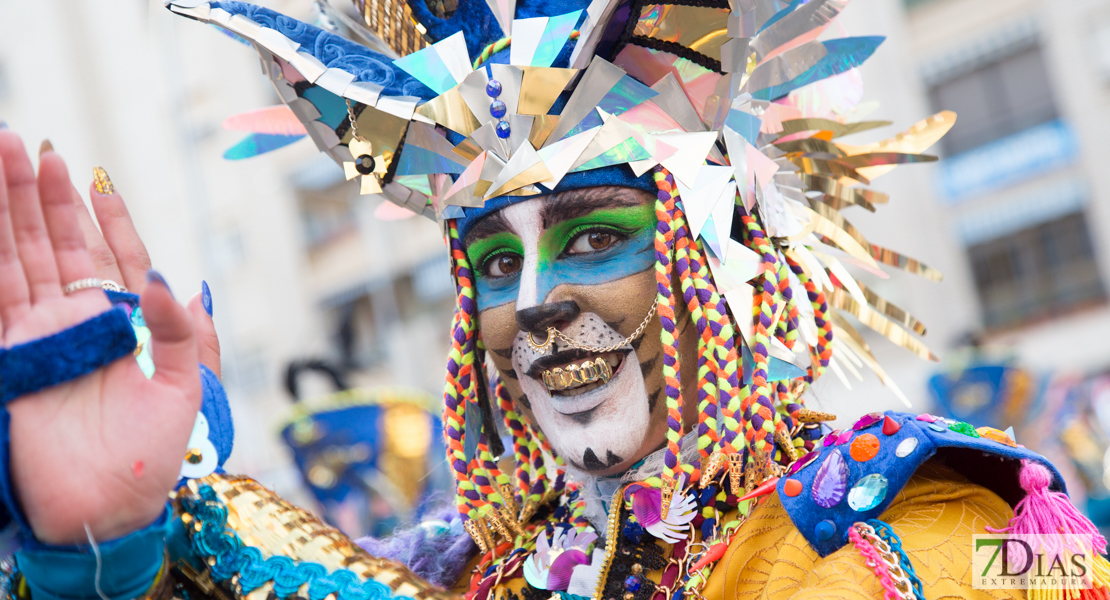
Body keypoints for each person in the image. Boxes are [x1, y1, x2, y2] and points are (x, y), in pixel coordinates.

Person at [0, 1, 1105, 599]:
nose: (529, 304)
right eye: (491, 262)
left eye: (591, 240)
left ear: (723, 259)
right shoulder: (461, 570)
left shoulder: (969, 528)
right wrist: (114, 547)